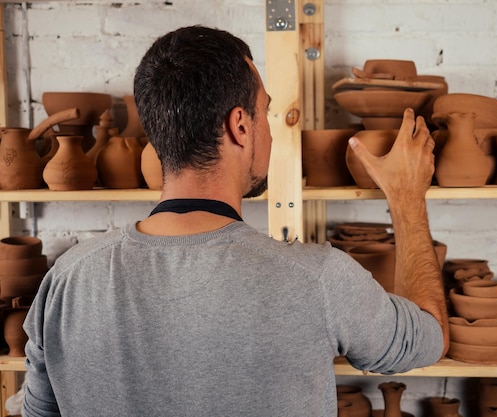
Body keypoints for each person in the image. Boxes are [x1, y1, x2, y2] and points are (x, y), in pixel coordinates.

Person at [22, 25, 449, 417]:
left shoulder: (67, 281)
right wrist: (407, 198)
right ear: (240, 126)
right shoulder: (316, 278)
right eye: (265, 111)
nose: (269, 127)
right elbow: (429, 337)